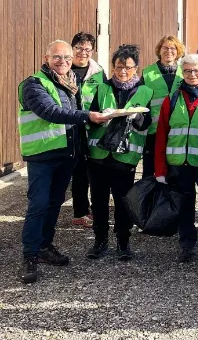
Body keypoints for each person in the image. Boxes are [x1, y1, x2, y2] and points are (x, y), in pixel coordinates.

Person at [17, 40, 111, 283]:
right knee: (38, 204)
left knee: (54, 203)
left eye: (67, 58)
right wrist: (88, 116)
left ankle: (45, 246)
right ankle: (30, 254)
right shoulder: (33, 84)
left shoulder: (70, 84)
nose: (63, 62)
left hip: (65, 156)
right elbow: (51, 112)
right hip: (42, 156)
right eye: (57, 57)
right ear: (46, 58)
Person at [85, 44, 153, 261]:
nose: (123, 71)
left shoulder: (145, 91)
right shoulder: (102, 88)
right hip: (99, 154)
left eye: (128, 67)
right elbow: (89, 119)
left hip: (125, 157)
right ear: (113, 67)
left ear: (136, 68)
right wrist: (100, 117)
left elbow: (147, 124)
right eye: (119, 67)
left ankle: (123, 242)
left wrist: (136, 116)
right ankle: (100, 240)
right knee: (98, 200)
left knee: (123, 201)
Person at [154, 54, 198, 262]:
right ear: (182, 73)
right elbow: (161, 135)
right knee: (184, 206)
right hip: (179, 165)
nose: (192, 74)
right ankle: (186, 245)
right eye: (188, 71)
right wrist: (160, 169)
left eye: (197, 71)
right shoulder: (172, 100)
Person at [69, 32, 105, 228]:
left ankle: (84, 209)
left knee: (87, 170)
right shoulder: (63, 68)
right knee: (75, 171)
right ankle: (79, 212)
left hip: (92, 127)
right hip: (69, 126)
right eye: (79, 48)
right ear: (72, 48)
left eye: (88, 49)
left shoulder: (99, 72)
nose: (83, 52)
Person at [142, 35, 185, 177]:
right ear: (159, 50)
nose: (169, 51)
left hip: (177, 130)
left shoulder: (185, 73)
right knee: (150, 172)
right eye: (165, 48)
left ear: (178, 52)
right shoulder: (147, 73)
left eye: (173, 48)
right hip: (154, 131)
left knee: (174, 172)